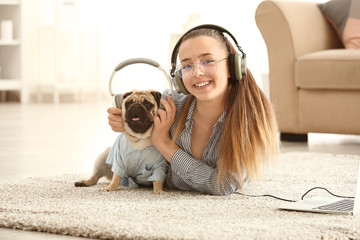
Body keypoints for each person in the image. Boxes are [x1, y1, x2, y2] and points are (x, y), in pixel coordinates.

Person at [107, 25, 280, 195]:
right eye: (187, 65)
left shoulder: (249, 119)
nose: (197, 72)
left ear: (232, 66)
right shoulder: (169, 105)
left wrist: (164, 144)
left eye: (208, 61)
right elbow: (138, 104)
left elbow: (223, 185)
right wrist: (121, 119)